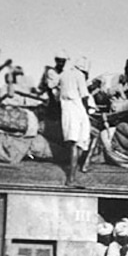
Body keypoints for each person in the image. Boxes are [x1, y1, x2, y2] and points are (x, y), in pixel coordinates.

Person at [58, 56, 91, 185]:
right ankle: (71, 178)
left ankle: (72, 174)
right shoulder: (79, 75)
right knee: (78, 143)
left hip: (66, 108)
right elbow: (84, 95)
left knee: (76, 142)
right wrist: (87, 110)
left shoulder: (64, 74)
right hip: (77, 108)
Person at [38, 51, 68, 117]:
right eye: (60, 61)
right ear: (56, 61)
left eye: (63, 62)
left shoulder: (64, 73)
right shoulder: (51, 72)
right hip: (51, 99)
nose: (62, 64)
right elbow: (51, 86)